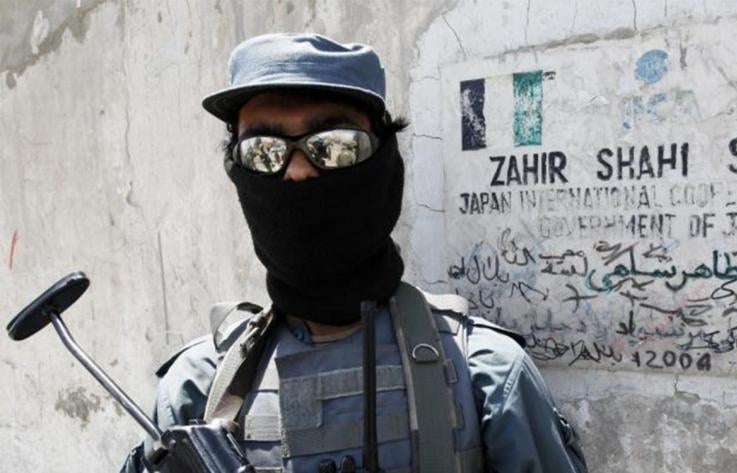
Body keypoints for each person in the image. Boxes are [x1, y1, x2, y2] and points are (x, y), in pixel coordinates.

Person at [121, 33, 588, 473]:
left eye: (335, 147)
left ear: (383, 162)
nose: (298, 173)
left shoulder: (484, 373)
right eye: (263, 150)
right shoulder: (198, 390)